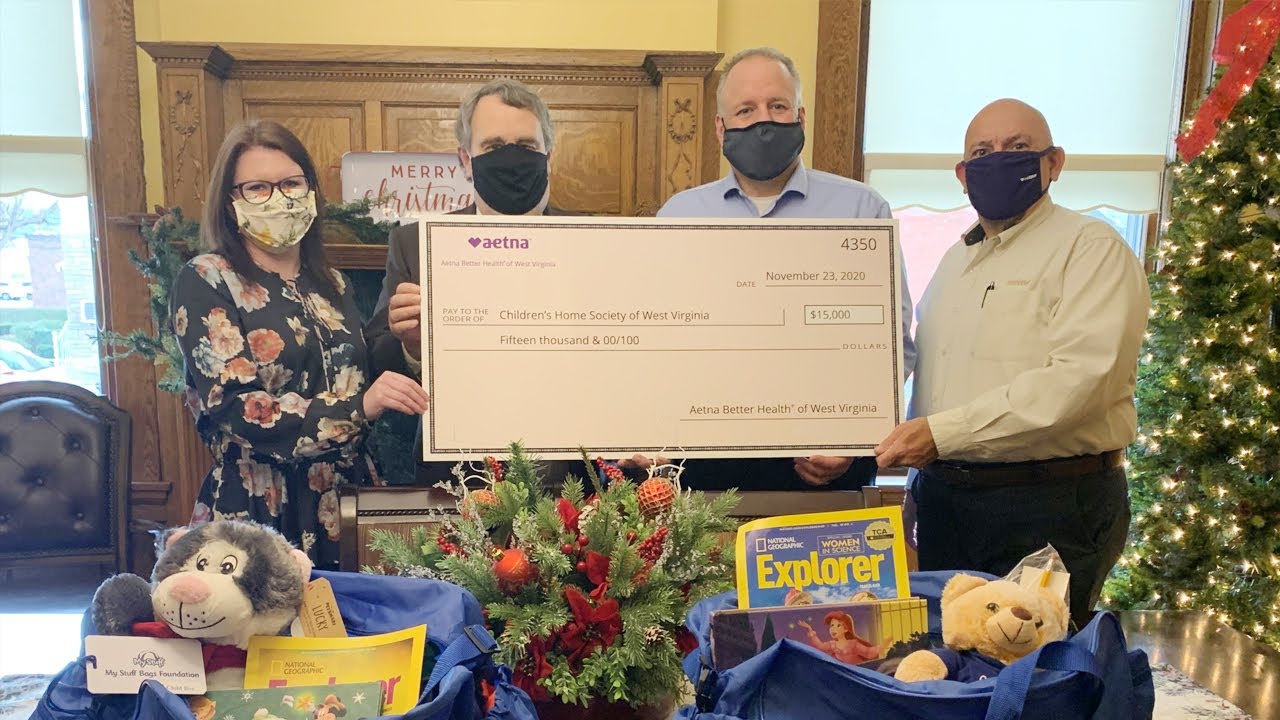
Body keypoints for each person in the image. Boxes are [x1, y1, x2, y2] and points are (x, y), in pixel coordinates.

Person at [874, 99, 1150, 628]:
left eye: (1018, 147)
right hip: (946, 504)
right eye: (982, 152)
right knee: (956, 653)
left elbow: (1079, 381)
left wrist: (939, 436)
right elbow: (933, 381)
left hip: (1049, 504)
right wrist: (907, 476)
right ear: (962, 175)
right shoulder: (957, 260)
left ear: (1054, 162)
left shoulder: (1090, 248)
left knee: (1036, 662)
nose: (998, 159)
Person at [170, 120, 430, 568]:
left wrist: (412, 346)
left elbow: (361, 375)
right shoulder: (207, 279)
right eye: (257, 188)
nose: (279, 198)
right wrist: (358, 409)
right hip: (260, 505)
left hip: (347, 499)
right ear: (230, 201)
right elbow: (234, 408)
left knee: (353, 614)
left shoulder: (333, 284)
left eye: (291, 183)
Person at [657, 47, 915, 491]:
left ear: (800, 116)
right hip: (704, 462)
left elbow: (892, 345)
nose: (764, 121)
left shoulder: (862, 209)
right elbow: (658, 341)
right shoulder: (679, 215)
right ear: (720, 127)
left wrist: (852, 442)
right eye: (745, 110)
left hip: (827, 463)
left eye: (777, 106)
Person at [364, 78, 586, 486]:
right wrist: (411, 345)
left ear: (548, 156)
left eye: (526, 146)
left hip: (573, 472)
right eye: (494, 146)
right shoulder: (416, 243)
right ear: (466, 159)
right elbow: (377, 362)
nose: (511, 158)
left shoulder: (596, 241)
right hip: (457, 475)